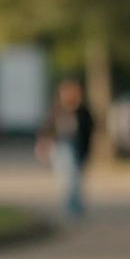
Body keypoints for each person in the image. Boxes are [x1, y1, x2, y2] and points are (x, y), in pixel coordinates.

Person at [36, 78, 93, 222]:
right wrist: (44, 145)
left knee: (75, 179)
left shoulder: (82, 111)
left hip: (77, 147)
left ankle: (75, 206)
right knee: (67, 178)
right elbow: (47, 128)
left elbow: (89, 131)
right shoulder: (57, 110)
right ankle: (71, 207)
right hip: (61, 147)